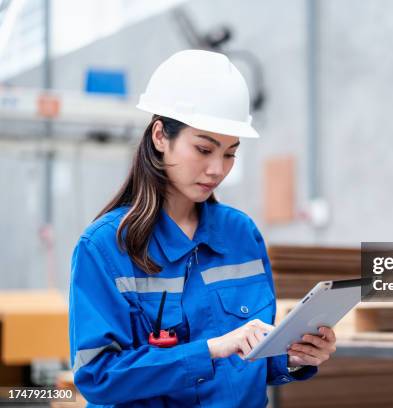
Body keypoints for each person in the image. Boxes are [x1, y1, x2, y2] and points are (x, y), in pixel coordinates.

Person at [68, 50, 337, 407]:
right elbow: (98, 376)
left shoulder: (241, 235)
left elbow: (252, 356)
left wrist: (293, 357)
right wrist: (210, 350)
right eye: (204, 148)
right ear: (161, 136)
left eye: (229, 153)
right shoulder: (105, 248)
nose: (217, 169)